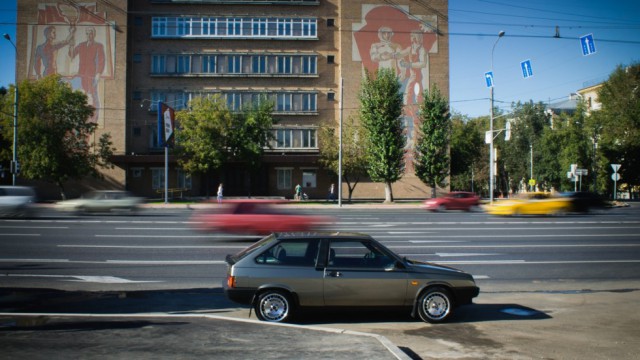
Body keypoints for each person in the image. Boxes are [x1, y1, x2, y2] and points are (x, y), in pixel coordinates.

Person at [68, 27, 105, 122]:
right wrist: (71, 44)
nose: (89, 35)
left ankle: (94, 119)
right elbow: (71, 55)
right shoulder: (81, 45)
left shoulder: (98, 46)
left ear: (94, 34)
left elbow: (101, 61)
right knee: (82, 95)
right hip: (81, 75)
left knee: (93, 95)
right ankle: (82, 118)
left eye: (91, 33)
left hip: (92, 76)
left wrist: (98, 74)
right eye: (87, 33)